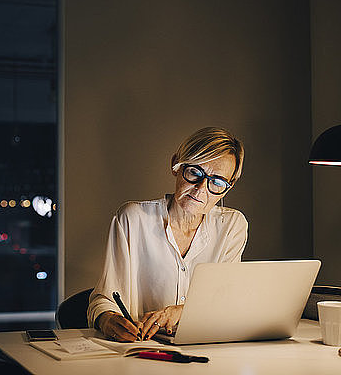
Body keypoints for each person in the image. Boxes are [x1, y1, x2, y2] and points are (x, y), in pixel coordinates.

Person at [87, 127, 247, 342]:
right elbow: (103, 299)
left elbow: (225, 302)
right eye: (194, 173)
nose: (200, 189)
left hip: (205, 349)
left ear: (229, 186)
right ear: (176, 165)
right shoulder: (133, 218)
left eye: (217, 182)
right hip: (140, 350)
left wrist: (181, 311)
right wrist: (107, 319)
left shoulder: (232, 225)